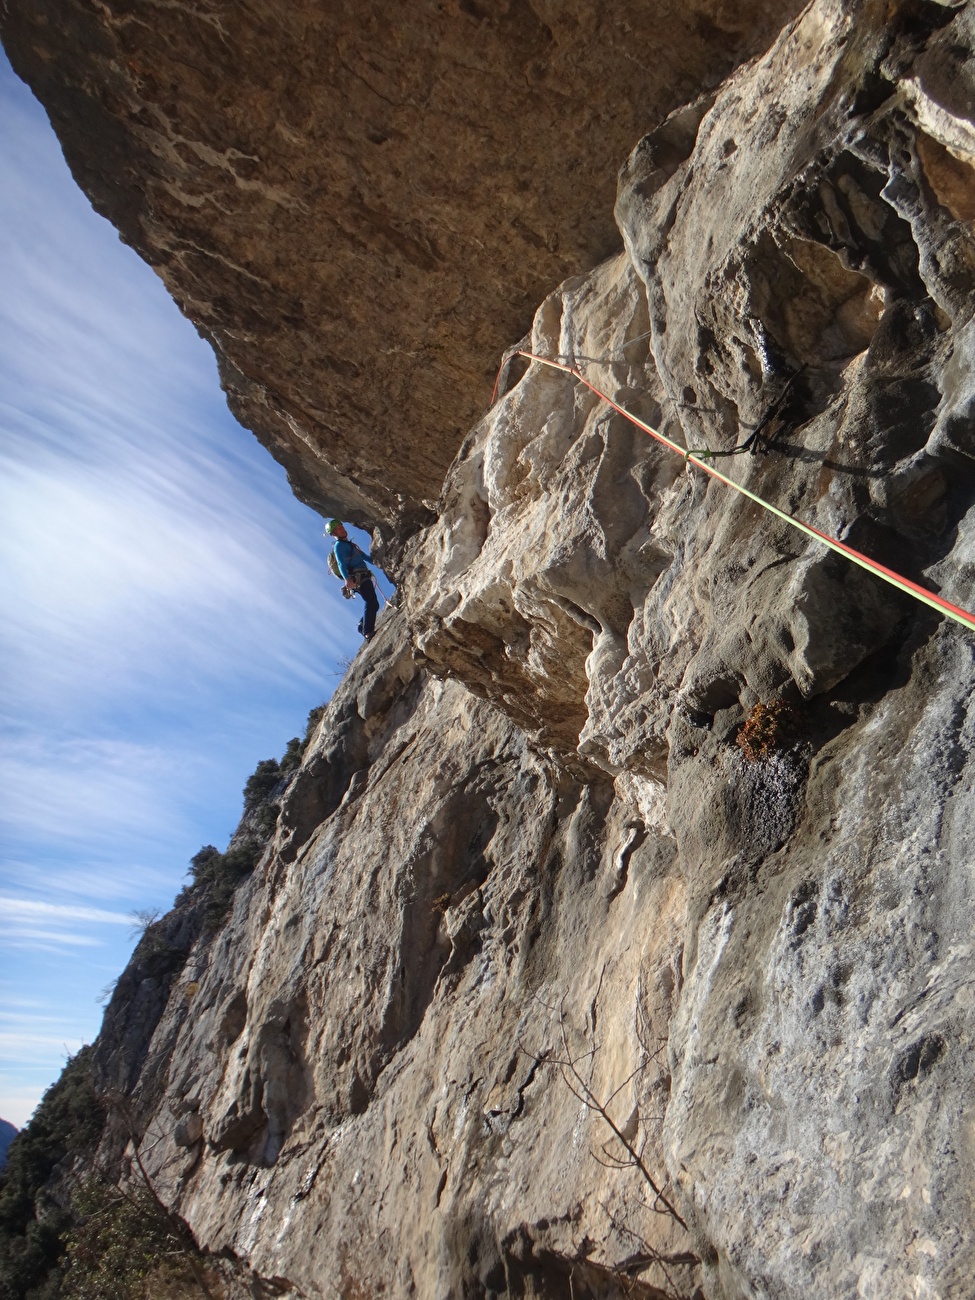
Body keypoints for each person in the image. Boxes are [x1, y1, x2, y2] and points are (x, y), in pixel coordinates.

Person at [325, 519, 379, 640]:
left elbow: (364, 557)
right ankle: (368, 632)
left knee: (374, 604)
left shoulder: (350, 545)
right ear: (333, 534)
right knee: (371, 602)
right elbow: (340, 563)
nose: (343, 529)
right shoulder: (339, 546)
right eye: (338, 529)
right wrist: (347, 579)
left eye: (342, 526)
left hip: (363, 575)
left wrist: (379, 561)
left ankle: (362, 626)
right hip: (357, 578)